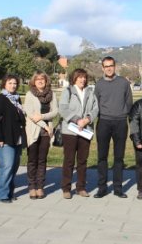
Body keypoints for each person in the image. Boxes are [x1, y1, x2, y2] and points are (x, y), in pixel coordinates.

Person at [94, 56, 133, 198]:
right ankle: (102, 188)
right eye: (106, 66)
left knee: (119, 157)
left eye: (111, 65)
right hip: (104, 122)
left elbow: (129, 102)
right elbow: (95, 105)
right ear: (103, 68)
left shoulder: (123, 82)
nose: (109, 68)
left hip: (120, 123)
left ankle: (118, 188)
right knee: (102, 157)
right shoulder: (99, 85)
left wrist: (123, 114)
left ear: (115, 66)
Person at [58, 68, 99, 199]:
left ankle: (81, 187)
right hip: (70, 130)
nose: (83, 79)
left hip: (85, 130)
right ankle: (66, 188)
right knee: (69, 160)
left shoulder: (90, 92)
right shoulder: (68, 91)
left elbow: (95, 108)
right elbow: (63, 108)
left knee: (82, 160)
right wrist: (77, 120)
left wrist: (87, 119)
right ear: (74, 78)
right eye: (80, 77)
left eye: (84, 77)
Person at [24, 70, 58, 200]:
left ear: (46, 80)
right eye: (37, 79)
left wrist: (43, 117)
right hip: (33, 131)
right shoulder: (29, 94)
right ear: (34, 81)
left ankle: (40, 187)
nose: (40, 81)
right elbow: (31, 114)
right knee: (32, 160)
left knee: (42, 160)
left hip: (45, 133)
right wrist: (45, 126)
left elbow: (55, 111)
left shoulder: (51, 94)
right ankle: (32, 186)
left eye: (42, 79)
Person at [0, 74, 26, 203]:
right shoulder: (1, 99)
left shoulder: (16, 99)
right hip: (5, 139)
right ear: (4, 84)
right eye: (10, 83)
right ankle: (2, 194)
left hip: (16, 138)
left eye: (15, 83)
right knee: (6, 166)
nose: (13, 85)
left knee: (13, 167)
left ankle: (10, 192)